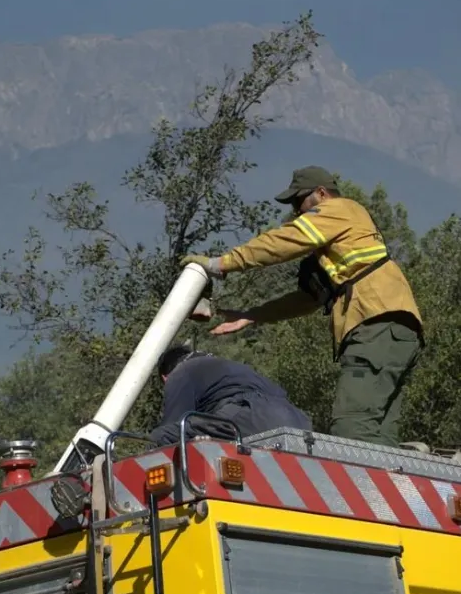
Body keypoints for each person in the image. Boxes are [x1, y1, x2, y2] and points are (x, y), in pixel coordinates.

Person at [180, 165, 423, 448]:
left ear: (321, 193)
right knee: (378, 434)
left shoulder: (340, 209)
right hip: (393, 330)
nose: (297, 212)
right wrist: (252, 315)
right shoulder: (342, 245)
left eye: (299, 201)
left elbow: (283, 241)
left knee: (352, 428)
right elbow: (307, 299)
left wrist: (221, 263)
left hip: (375, 324)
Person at [149, 344, 312, 446]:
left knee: (160, 437)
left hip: (247, 414)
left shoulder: (180, 371)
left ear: (165, 377)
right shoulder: (227, 366)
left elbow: (175, 423)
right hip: (298, 420)